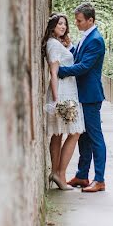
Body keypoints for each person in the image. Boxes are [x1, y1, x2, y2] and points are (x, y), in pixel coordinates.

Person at [57, 3, 108, 193]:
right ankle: (82, 175)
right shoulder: (86, 37)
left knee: (95, 138)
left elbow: (84, 66)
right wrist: (68, 47)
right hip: (82, 94)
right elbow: (77, 58)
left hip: (90, 95)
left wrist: (59, 71)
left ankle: (100, 179)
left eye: (79, 21)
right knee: (83, 137)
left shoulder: (95, 40)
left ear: (90, 20)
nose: (76, 24)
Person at [42, 14, 84, 190]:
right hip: (63, 95)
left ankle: (57, 174)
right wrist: (57, 99)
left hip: (67, 93)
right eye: (60, 23)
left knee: (59, 133)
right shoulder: (52, 44)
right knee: (75, 132)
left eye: (65, 24)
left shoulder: (58, 43)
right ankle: (60, 174)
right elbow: (53, 73)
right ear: (52, 26)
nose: (63, 26)